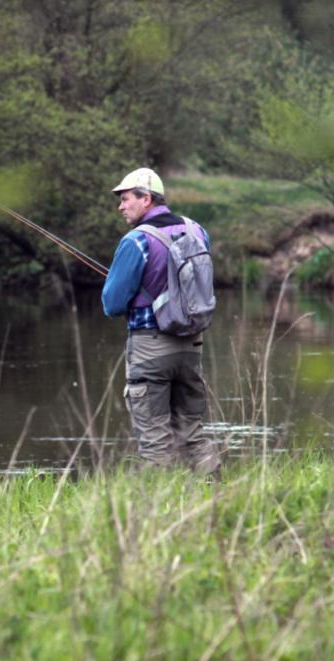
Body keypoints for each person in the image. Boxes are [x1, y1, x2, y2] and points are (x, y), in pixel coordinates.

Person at [102, 167, 219, 474]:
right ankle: (215, 492)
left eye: (126, 199)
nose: (121, 206)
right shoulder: (197, 230)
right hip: (191, 347)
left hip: (150, 348)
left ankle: (161, 501)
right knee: (193, 436)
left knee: (155, 443)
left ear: (146, 199)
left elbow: (112, 305)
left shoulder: (136, 240)